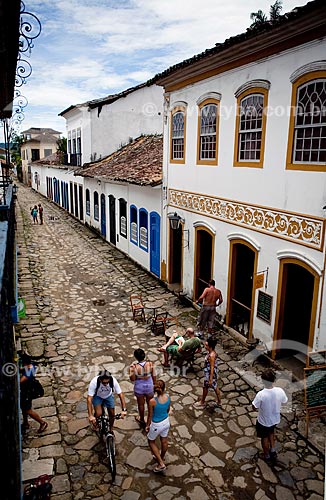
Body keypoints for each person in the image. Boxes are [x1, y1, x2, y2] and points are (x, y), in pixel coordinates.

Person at [252, 368, 288, 463]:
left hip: (263, 421)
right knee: (271, 432)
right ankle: (272, 449)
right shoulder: (280, 391)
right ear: (274, 380)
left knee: (264, 437)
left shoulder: (261, 395)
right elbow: (285, 401)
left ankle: (266, 455)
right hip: (275, 419)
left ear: (263, 381)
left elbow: (254, 406)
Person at [146, 379, 171, 473]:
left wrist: (147, 425)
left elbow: (150, 415)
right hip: (166, 421)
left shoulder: (152, 401)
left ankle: (161, 464)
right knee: (164, 441)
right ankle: (161, 457)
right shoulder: (168, 397)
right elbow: (168, 410)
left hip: (157, 424)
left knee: (151, 441)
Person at [20, 353, 48, 434]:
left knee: (28, 410)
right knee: (24, 408)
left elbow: (20, 381)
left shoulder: (27, 374)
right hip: (27, 391)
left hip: (27, 392)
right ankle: (25, 423)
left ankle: (42, 423)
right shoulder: (31, 366)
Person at [129, 348, 156, 427]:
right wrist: (154, 384)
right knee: (150, 403)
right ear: (144, 355)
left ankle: (141, 419)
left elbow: (132, 379)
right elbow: (154, 376)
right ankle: (150, 419)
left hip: (139, 387)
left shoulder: (134, 367)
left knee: (141, 405)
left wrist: (132, 370)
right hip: (149, 386)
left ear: (136, 357)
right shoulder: (150, 364)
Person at [194, 337, 222, 409]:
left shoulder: (211, 356)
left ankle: (202, 402)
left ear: (210, 346)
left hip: (209, 374)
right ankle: (219, 402)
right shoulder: (212, 353)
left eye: (206, 345)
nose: (205, 346)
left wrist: (210, 378)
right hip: (210, 373)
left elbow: (212, 367)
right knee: (215, 387)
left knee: (206, 387)